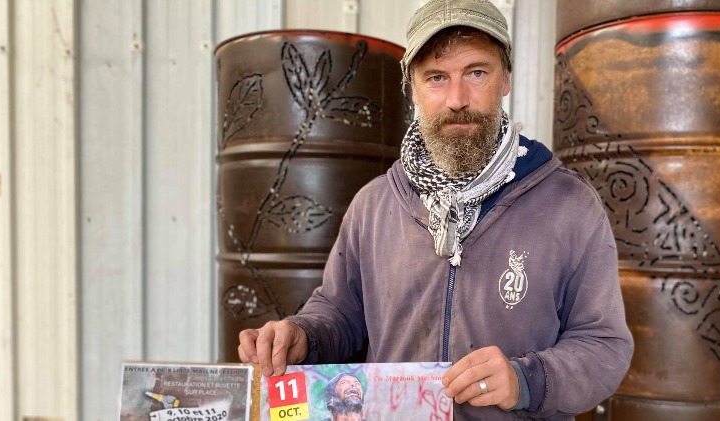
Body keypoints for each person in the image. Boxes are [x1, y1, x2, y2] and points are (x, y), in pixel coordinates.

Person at [238, 0, 634, 419]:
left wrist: (525, 380)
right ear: (413, 88)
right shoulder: (374, 206)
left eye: (476, 73)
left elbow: (604, 346)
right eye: (436, 77)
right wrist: (303, 335)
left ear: (505, 79)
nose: (457, 99)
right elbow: (341, 314)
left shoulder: (569, 205)